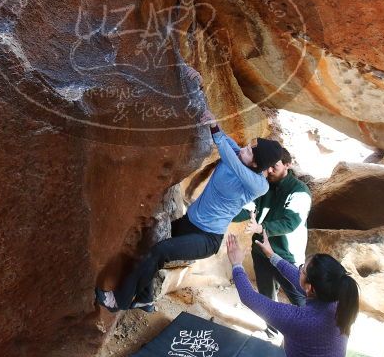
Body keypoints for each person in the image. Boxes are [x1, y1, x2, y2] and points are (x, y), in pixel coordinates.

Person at [95, 102, 284, 313]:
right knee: (150, 241)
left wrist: (215, 130)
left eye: (249, 151)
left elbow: (228, 155)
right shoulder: (241, 156)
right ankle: (145, 298)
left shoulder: (258, 185)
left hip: (207, 238)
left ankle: (117, 301)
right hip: (189, 222)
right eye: (247, 146)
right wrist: (204, 110)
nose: (244, 149)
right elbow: (225, 140)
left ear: (257, 166)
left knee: (160, 250)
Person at [226, 231, 360, 357]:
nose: (299, 269)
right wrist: (271, 255)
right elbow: (302, 283)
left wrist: (236, 264)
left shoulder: (299, 320)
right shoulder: (341, 301)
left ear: (311, 288)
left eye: (303, 268)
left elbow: (249, 297)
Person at [232, 153, 311, 307]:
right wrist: (224, 213)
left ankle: (308, 328)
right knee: (266, 296)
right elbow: (249, 208)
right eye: (267, 166)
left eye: (274, 166)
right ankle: (271, 330)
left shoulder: (299, 191)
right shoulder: (264, 186)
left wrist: (261, 227)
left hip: (286, 256)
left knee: (300, 299)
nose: (269, 170)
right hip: (261, 251)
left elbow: (290, 222)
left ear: (287, 164)